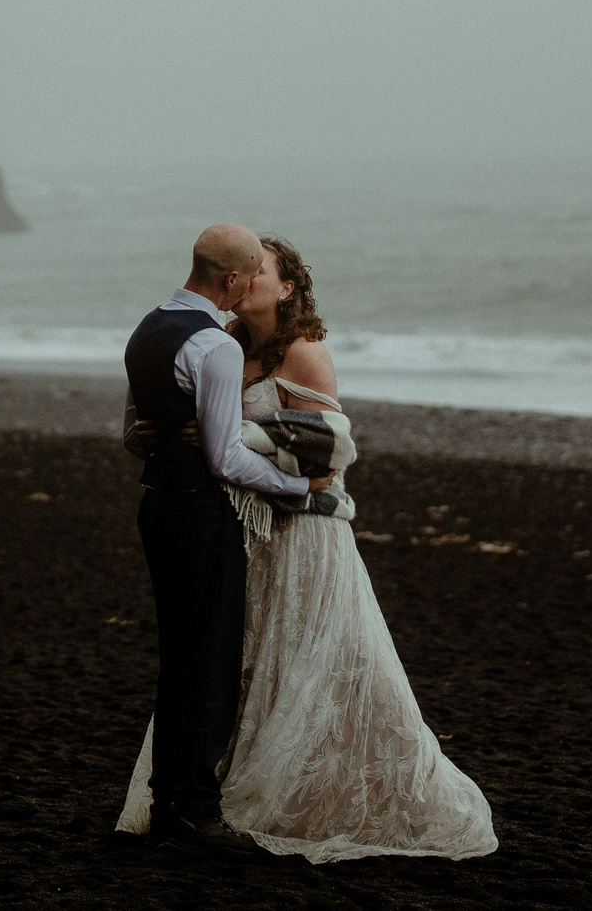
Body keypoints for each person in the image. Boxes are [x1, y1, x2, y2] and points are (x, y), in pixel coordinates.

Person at [119, 235, 498, 863]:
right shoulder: (221, 346)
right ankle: (207, 796)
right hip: (244, 525)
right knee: (242, 665)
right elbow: (169, 424)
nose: (247, 281)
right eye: (244, 271)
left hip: (302, 528)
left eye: (261, 271)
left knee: (313, 663)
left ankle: (293, 797)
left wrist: (239, 434)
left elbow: (330, 452)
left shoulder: (305, 353)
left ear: (287, 287)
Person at [117, 223, 322, 851]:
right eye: (249, 273)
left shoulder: (147, 328)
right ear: (231, 279)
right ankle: (196, 810)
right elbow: (227, 459)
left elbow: (133, 429)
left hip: (156, 506)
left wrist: (145, 441)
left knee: (179, 655)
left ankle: (165, 798)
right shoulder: (217, 347)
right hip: (201, 513)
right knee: (210, 660)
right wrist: (300, 491)